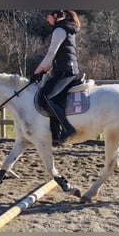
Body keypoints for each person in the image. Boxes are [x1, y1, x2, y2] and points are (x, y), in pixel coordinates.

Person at [33, 10, 82, 145]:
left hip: (64, 71)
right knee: (53, 99)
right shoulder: (66, 28)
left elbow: (50, 55)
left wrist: (36, 72)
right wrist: (44, 70)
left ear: (54, 16)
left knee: (44, 97)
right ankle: (55, 134)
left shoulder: (59, 30)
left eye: (48, 17)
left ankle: (68, 128)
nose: (47, 20)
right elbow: (54, 58)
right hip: (66, 69)